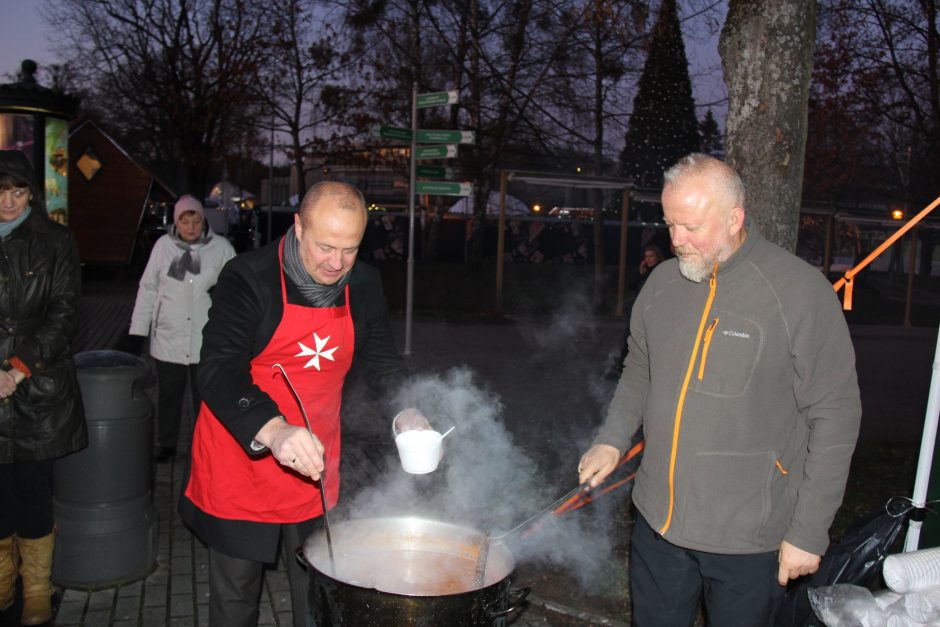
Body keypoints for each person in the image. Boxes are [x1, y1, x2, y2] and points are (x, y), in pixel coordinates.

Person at [579, 154, 861, 625]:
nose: (676, 241)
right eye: (669, 224)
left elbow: (835, 415)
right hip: (657, 525)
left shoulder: (798, 292)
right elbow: (639, 368)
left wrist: (809, 532)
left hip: (748, 538)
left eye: (691, 227)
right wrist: (613, 436)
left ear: (734, 219)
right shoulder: (662, 284)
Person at [179, 181, 418, 626]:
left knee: (318, 592)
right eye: (326, 247)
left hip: (315, 462)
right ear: (298, 227)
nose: (337, 263)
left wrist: (407, 410)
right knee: (236, 597)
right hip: (242, 455)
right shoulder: (249, 277)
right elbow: (217, 368)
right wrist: (273, 428)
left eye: (350, 250)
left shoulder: (364, 284)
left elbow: (385, 362)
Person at [0, 150, 87, 625]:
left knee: (32, 491)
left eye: (18, 191)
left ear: (31, 194)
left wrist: (16, 368)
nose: (9, 202)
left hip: (37, 387)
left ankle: (36, 588)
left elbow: (64, 312)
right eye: (1, 191)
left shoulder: (54, 241)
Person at [127, 194, 236, 463]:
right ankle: (167, 444)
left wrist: (223, 293)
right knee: (169, 395)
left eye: (195, 220)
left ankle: (205, 446)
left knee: (206, 398)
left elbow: (239, 288)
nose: (190, 227)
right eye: (184, 221)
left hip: (206, 337)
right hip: (169, 336)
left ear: (203, 220)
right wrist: (137, 330)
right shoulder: (163, 247)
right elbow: (149, 288)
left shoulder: (221, 247)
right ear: (176, 223)